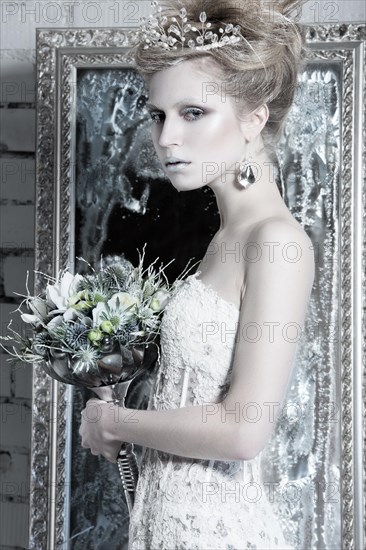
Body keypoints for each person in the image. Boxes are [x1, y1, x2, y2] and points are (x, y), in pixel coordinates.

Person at [79, 0, 315, 548]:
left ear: (255, 115)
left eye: (193, 113)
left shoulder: (276, 241)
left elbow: (243, 430)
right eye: (158, 115)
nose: (165, 139)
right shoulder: (224, 239)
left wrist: (116, 425)